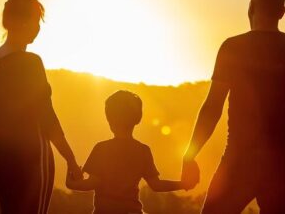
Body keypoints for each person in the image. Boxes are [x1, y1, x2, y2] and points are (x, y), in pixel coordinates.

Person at [182, 0, 285, 214]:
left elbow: (212, 107)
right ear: (282, 12)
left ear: (251, 6)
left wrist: (190, 154)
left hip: (238, 159)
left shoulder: (233, 48)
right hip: (282, 161)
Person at [0, 0, 83, 214]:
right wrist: (70, 158)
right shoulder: (30, 62)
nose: (38, 29)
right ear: (25, 23)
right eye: (37, 22)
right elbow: (46, 116)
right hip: (30, 157)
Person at [66, 90, 199, 214]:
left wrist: (71, 183)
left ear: (109, 119)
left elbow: (92, 183)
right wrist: (183, 184)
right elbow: (156, 185)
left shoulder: (101, 149)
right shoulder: (143, 151)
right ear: (137, 119)